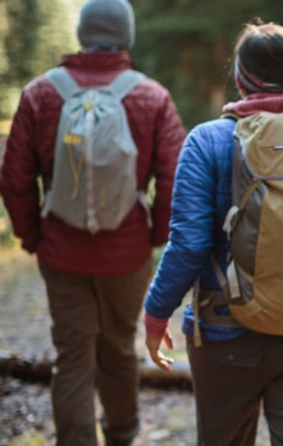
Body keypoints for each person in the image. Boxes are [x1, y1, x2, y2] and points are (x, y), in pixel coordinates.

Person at [143, 22, 283, 446]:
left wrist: (157, 315)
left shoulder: (208, 141)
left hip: (228, 335)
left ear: (242, 78)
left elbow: (188, 245)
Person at [0, 0, 186, 444]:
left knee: (72, 356)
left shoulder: (40, 93)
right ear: (126, 35)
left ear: (83, 34)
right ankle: (122, 434)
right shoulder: (151, 95)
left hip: (61, 251)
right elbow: (174, 178)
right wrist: (154, 235)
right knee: (120, 349)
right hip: (127, 253)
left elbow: (14, 177)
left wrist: (32, 236)